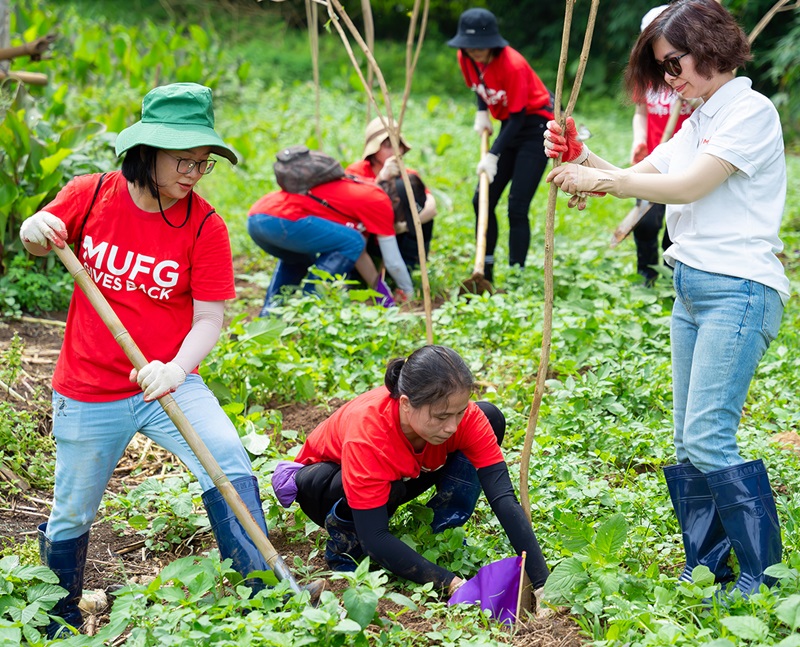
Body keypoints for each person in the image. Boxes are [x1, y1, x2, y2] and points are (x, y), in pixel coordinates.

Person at [544, 0, 785, 597]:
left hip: (739, 289)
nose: (670, 80)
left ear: (709, 47)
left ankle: (762, 578)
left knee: (708, 435)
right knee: (686, 440)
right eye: (663, 69)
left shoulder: (749, 112)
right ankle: (707, 568)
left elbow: (689, 185)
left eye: (673, 64)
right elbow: (646, 172)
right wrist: (580, 157)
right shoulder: (700, 118)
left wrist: (605, 180)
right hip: (693, 290)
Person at [19, 83, 275, 637]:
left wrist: (176, 369)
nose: (192, 173)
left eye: (202, 164)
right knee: (72, 509)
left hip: (168, 382)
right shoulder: (91, 195)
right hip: (90, 388)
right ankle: (57, 617)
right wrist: (32, 229)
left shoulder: (205, 226)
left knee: (229, 459)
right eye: (183, 161)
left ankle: (264, 598)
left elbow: (209, 319)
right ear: (148, 153)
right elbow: (40, 239)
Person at [271, 345, 551, 611]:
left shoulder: (461, 420)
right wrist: (450, 583)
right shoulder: (369, 433)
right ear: (405, 404)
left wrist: (542, 584)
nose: (452, 426)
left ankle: (439, 527)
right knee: (384, 496)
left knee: (491, 417)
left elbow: (502, 497)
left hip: (399, 474)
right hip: (327, 486)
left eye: (460, 412)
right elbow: (376, 537)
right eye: (441, 416)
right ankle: (343, 547)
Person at [447, 8, 554, 283]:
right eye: (470, 47)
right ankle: (486, 270)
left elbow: (519, 118)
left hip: (534, 126)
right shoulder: (466, 58)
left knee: (516, 205)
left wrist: (493, 154)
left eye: (481, 47)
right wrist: (482, 112)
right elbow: (479, 87)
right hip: (510, 124)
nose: (476, 52)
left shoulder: (513, 65)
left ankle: (516, 274)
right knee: (480, 200)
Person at [248, 175, 414, 315]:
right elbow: (393, 262)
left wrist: (384, 299)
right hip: (282, 218)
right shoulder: (380, 201)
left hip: (258, 218)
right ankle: (311, 305)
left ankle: (269, 315)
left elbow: (360, 254)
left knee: (298, 261)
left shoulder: (359, 195)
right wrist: (408, 291)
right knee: (354, 240)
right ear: (397, 202)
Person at [629, 5, 695, 285]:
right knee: (645, 221)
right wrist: (639, 139)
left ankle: (674, 274)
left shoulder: (688, 76)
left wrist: (693, 99)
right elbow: (640, 113)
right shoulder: (646, 77)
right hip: (653, 159)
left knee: (676, 224)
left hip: (687, 162)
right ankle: (647, 272)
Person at [346, 116, 437, 280]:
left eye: (397, 145)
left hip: (396, 236)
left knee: (417, 208)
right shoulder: (357, 171)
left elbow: (431, 207)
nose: (395, 151)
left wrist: (404, 226)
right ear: (374, 150)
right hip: (366, 236)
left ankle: (407, 268)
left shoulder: (408, 175)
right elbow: (352, 205)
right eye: (387, 146)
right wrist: (381, 179)